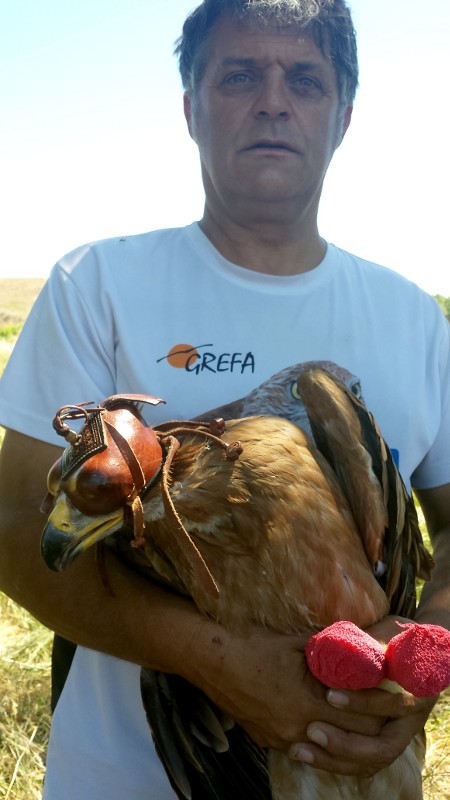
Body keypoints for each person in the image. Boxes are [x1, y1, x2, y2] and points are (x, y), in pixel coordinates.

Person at [1, 0, 449, 797]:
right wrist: (224, 664)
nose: (272, 99)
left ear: (342, 116)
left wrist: (413, 658)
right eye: (239, 74)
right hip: (129, 776)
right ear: (190, 108)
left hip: (359, 770)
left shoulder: (415, 318)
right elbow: (11, 531)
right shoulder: (95, 285)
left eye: (304, 79)